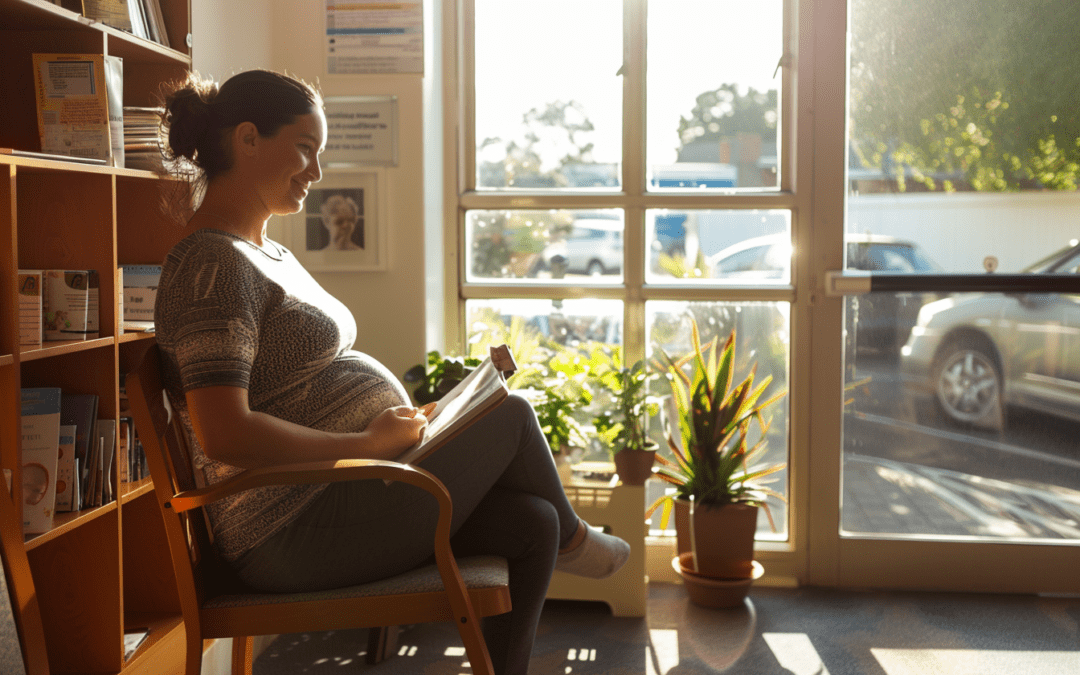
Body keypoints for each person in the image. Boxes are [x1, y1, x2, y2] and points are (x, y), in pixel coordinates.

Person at [154, 69, 629, 675]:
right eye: (305, 148)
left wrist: (413, 427)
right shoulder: (212, 265)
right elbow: (225, 432)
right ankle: (578, 542)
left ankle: (553, 550)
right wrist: (365, 442)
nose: (317, 173)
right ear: (247, 139)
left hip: (349, 493)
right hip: (287, 529)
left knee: (529, 521)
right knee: (512, 414)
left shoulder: (264, 252)